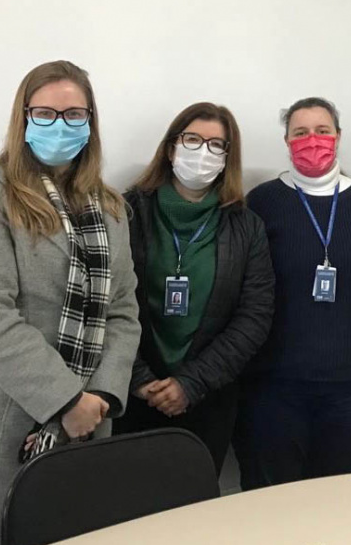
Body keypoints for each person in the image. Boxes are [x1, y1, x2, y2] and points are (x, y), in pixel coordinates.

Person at [0, 60, 140, 541]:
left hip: (87, 420)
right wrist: (65, 398)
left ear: (91, 122)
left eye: (74, 114)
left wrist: (99, 396)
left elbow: (123, 312)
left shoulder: (111, 207)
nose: (60, 125)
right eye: (45, 113)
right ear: (23, 118)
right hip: (0, 418)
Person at [233, 97, 351, 490]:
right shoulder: (263, 202)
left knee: (334, 500)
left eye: (322, 131)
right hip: (273, 386)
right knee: (270, 498)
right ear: (286, 140)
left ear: (338, 136)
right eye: (300, 133)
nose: (312, 140)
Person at [114, 103, 274, 475]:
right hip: (130, 394)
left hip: (207, 397)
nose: (203, 152)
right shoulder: (126, 212)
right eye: (192, 139)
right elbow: (105, 303)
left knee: (194, 511)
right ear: (171, 149)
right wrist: (140, 380)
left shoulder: (246, 226)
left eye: (217, 145)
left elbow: (255, 316)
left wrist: (191, 383)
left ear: (227, 159)